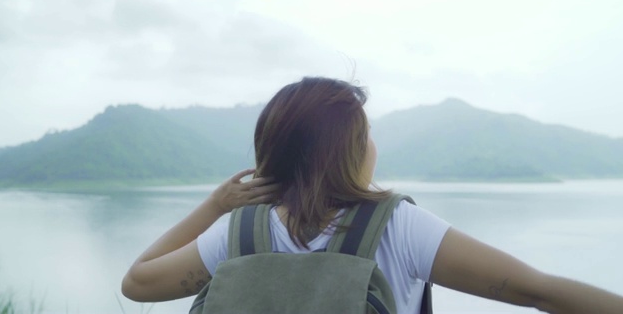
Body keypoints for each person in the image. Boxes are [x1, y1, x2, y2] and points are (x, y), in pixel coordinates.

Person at [122, 77, 623, 313]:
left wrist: (216, 204)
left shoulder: (237, 235)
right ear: (352, 151)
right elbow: (537, 291)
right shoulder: (398, 227)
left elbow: (137, 284)